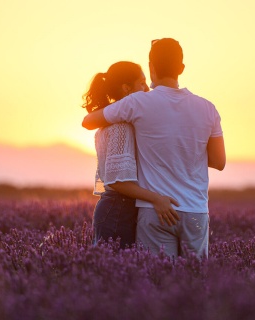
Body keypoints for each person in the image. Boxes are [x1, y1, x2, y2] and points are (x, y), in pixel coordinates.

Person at [82, 39, 226, 258]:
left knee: (157, 281)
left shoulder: (138, 103)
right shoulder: (208, 108)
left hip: (154, 211)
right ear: (181, 68)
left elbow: (88, 121)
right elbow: (219, 162)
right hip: (196, 210)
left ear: (151, 67)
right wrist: (185, 150)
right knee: (196, 283)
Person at [82, 61, 180, 250]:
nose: (147, 88)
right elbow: (118, 182)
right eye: (141, 83)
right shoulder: (122, 126)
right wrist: (156, 199)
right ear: (127, 89)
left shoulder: (114, 120)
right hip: (119, 209)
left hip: (117, 208)